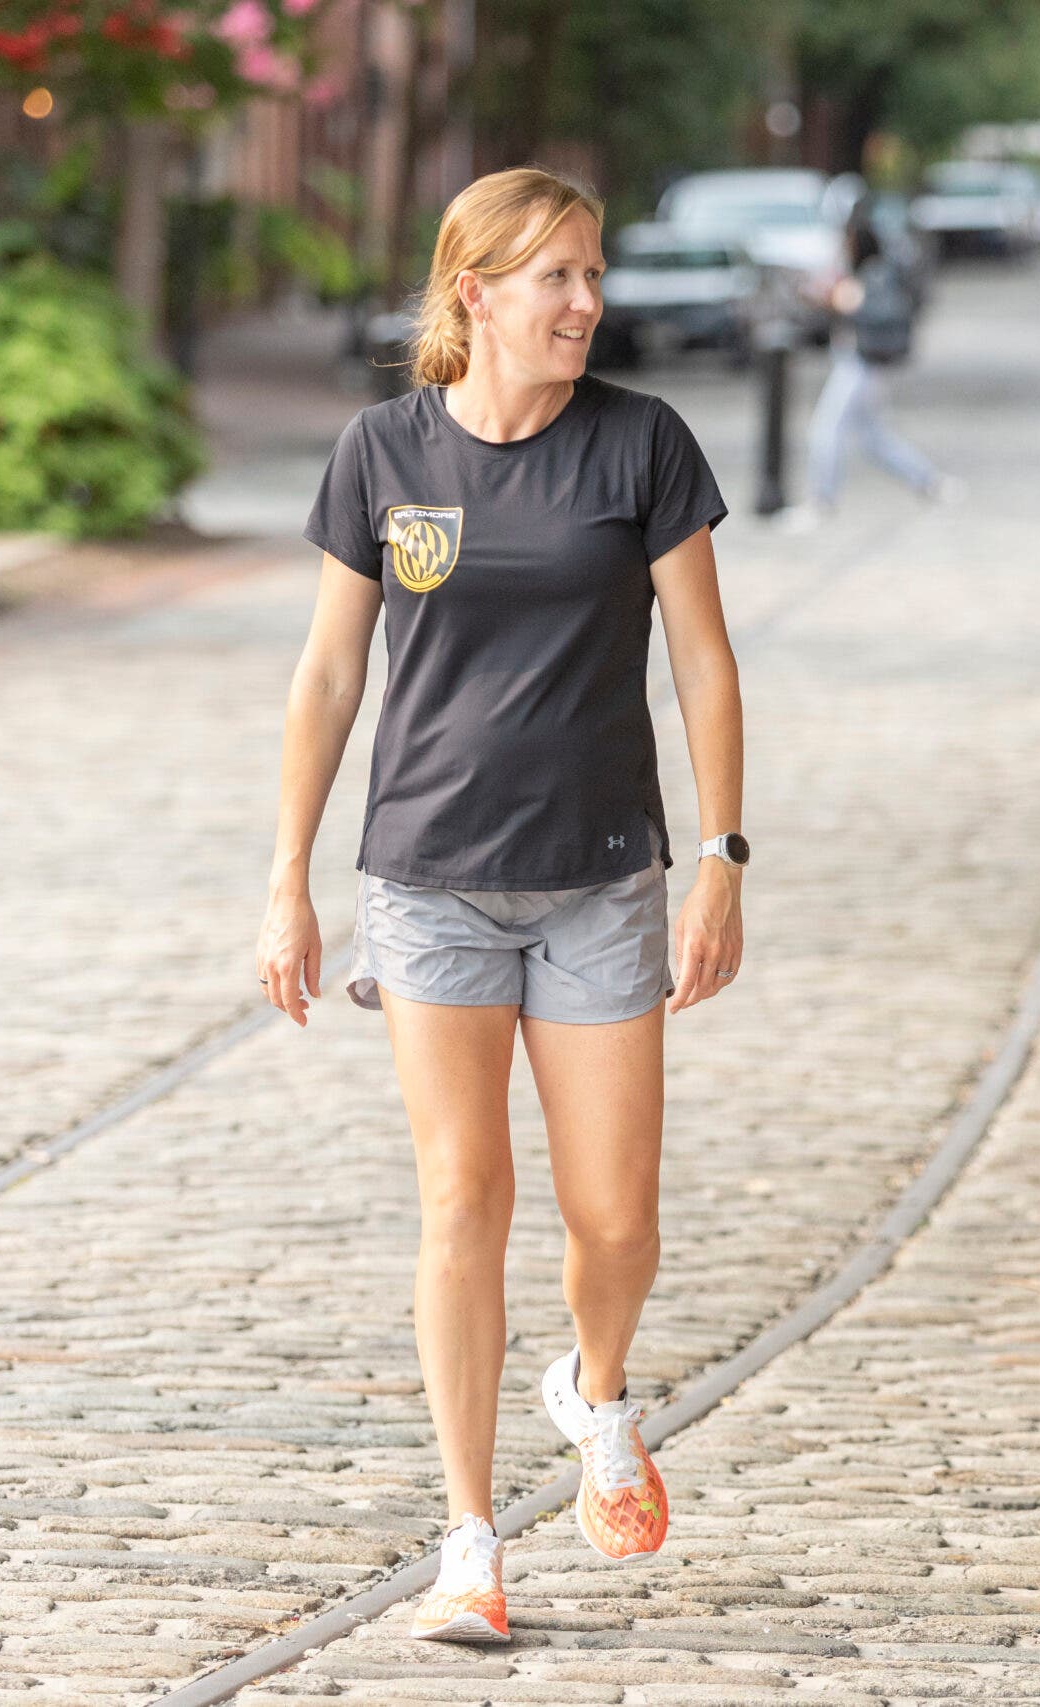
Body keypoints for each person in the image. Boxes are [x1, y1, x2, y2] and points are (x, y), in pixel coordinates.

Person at [258, 166, 746, 1645]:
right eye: (558, 279)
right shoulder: (383, 453)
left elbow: (707, 661)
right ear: (475, 293)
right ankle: (469, 1535)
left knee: (616, 1219)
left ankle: (597, 1389)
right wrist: (289, 873)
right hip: (429, 882)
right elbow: (332, 674)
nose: (587, 303)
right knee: (464, 1196)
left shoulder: (642, 445)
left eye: (593, 276)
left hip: (604, 878)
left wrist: (722, 852)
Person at [791, 209, 955, 527]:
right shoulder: (869, 271)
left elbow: (852, 303)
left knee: (826, 429)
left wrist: (826, 296)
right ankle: (929, 481)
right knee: (874, 438)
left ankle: (820, 500)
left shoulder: (871, 274)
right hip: (862, 365)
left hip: (859, 365)